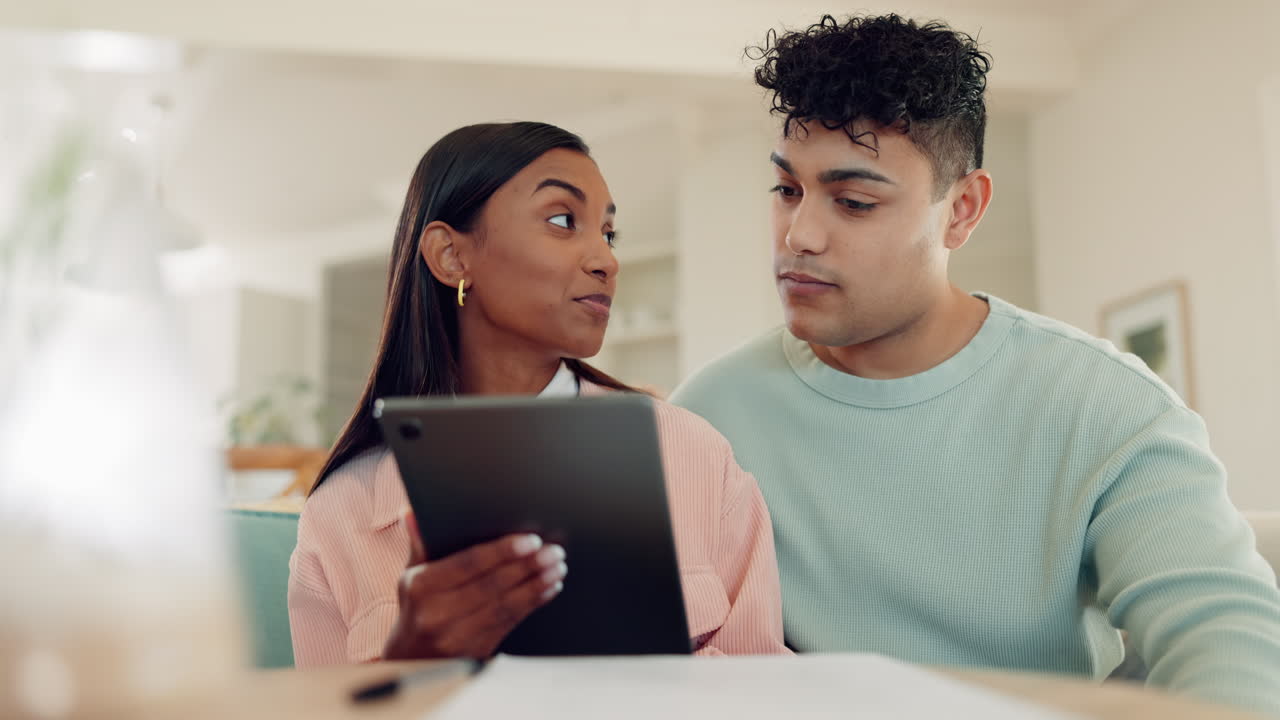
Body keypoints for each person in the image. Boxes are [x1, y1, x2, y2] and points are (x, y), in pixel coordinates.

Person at [670, 14, 1280, 716]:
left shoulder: (1107, 407)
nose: (799, 235)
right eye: (787, 190)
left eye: (854, 202)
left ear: (961, 209)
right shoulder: (706, 417)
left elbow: (1229, 645)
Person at [287, 122, 787, 666]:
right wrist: (412, 666)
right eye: (562, 220)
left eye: (609, 233)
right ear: (451, 256)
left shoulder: (696, 457)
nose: (607, 260)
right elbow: (329, 702)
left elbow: (763, 687)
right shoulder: (341, 513)